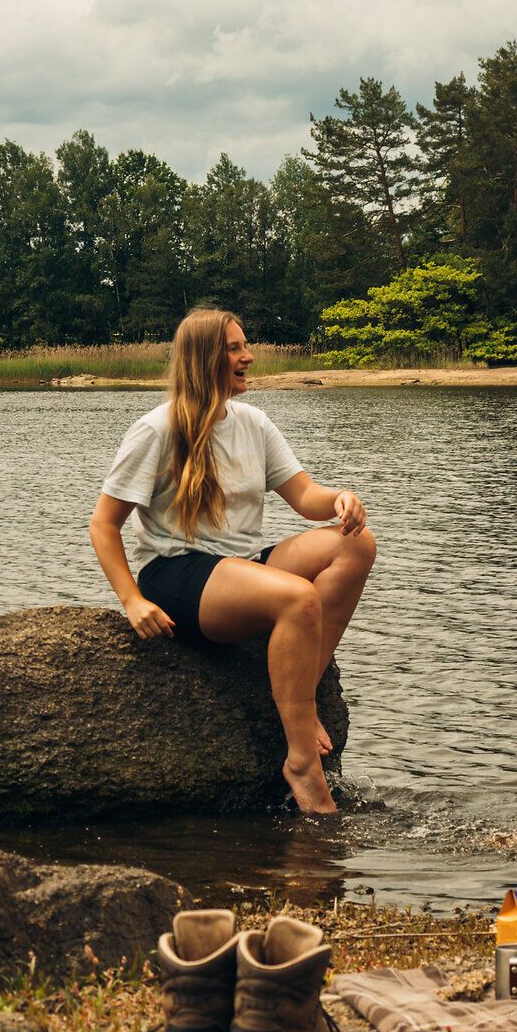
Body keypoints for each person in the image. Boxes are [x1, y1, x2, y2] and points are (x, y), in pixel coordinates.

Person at [90, 307, 376, 815]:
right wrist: (131, 600)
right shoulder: (156, 430)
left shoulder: (253, 423)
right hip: (178, 572)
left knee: (357, 544)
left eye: (246, 345)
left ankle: (301, 695)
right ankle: (300, 763)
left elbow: (304, 495)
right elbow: (103, 524)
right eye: (235, 348)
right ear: (204, 359)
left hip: (242, 564)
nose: (248, 356)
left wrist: (340, 498)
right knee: (299, 597)